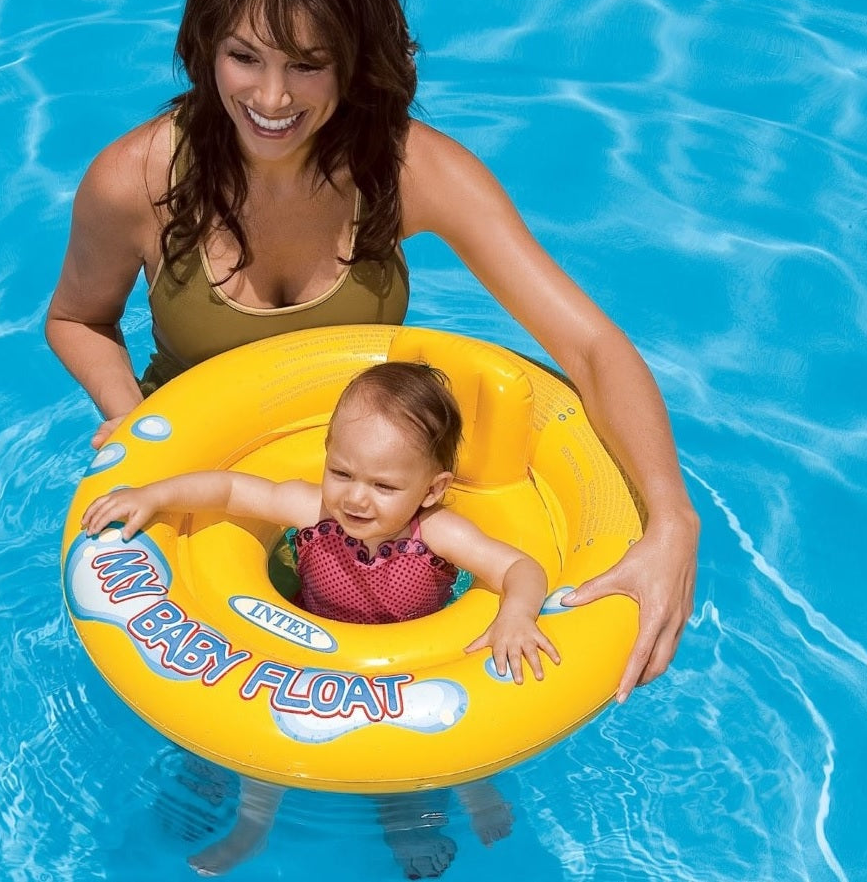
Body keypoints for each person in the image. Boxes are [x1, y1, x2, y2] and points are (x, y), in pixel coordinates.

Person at [46, 0, 698, 704]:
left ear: (354, 61)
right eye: (244, 57)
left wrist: (673, 523)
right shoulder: (139, 181)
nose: (273, 98)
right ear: (204, 48)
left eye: (308, 64)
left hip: (375, 494)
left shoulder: (409, 171)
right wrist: (128, 414)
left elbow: (592, 347)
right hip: (207, 485)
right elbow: (77, 319)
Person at [81, 361, 555, 877]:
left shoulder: (439, 532)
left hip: (413, 663)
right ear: (326, 458)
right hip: (310, 651)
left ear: (432, 490)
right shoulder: (315, 512)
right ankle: (252, 829)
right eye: (342, 472)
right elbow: (233, 491)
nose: (355, 497)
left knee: (430, 747)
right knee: (265, 740)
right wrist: (154, 495)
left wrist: (516, 614)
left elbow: (519, 567)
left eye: (384, 485)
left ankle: (441, 806)